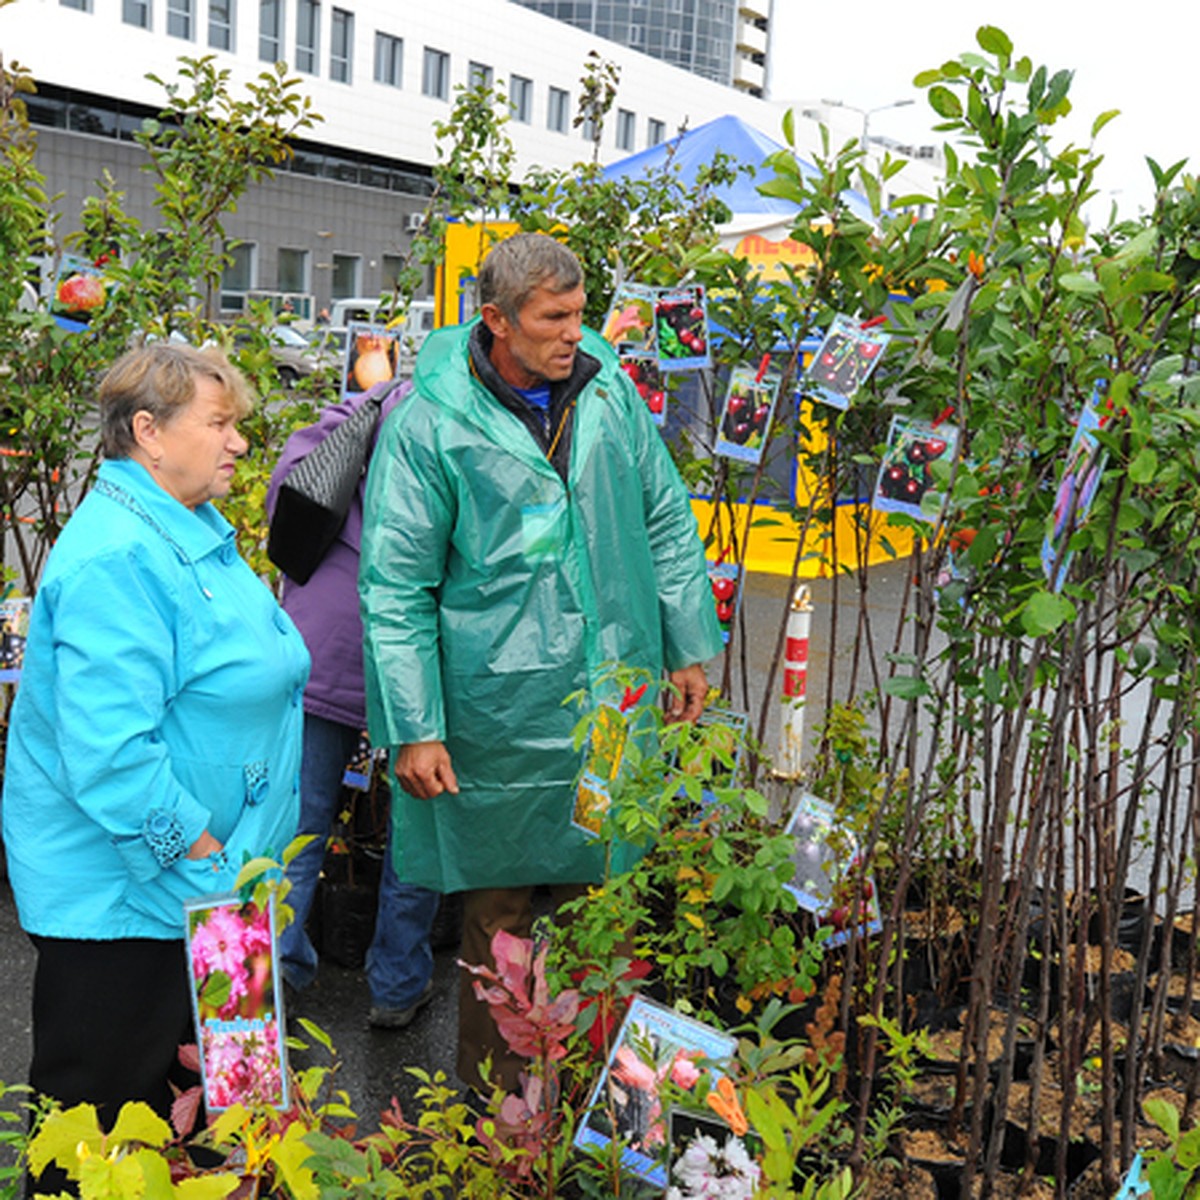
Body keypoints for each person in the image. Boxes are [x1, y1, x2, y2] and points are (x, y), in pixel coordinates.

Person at [359, 232, 723, 1091]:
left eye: (580, 314)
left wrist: (690, 644)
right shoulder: (432, 421)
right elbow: (395, 584)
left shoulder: (603, 392)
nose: (573, 334)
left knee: (605, 906)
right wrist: (415, 727)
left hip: (611, 689)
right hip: (497, 711)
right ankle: (498, 1134)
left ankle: (599, 1116)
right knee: (503, 920)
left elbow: (664, 518)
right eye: (552, 318)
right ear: (495, 320)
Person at [2, 344, 309, 1146]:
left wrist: (231, 880)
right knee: (110, 1135)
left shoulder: (189, 528)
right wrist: (207, 857)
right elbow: (112, 753)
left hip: (225, 886)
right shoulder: (119, 556)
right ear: (149, 433)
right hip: (139, 903)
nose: (239, 442)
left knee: (231, 1117)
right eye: (219, 424)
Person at [267, 380, 441, 1028]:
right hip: (420, 655)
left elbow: (287, 495)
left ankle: (280, 969)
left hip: (323, 639)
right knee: (419, 828)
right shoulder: (461, 428)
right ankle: (397, 984)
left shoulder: (360, 413)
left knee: (298, 822)